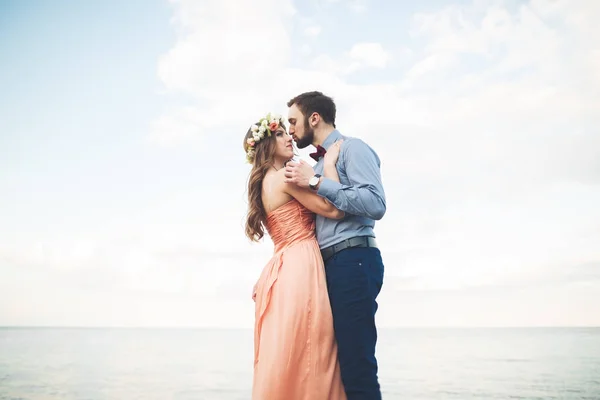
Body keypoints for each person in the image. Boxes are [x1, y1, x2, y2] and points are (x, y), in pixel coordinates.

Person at [284, 91, 386, 399]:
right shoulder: (312, 167)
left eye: (293, 121)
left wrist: (316, 182)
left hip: (353, 259)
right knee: (335, 368)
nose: (290, 130)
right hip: (327, 270)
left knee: (357, 366)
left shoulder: (353, 149)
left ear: (314, 118)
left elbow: (375, 203)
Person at [243, 112, 348, 400]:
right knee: (315, 347)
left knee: (286, 352)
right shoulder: (285, 178)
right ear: (265, 145)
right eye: (279, 134)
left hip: (280, 268)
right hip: (300, 264)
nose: (289, 136)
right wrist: (328, 166)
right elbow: (333, 210)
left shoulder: (265, 182)